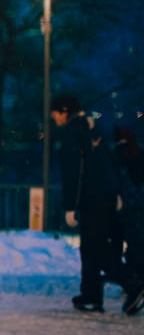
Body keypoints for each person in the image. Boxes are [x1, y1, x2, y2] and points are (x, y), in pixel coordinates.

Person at [50, 94, 143, 315]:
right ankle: (91, 293)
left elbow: (74, 171)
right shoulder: (93, 128)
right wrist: (117, 193)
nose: (53, 118)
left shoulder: (73, 133)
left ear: (64, 111)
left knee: (94, 248)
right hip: (106, 197)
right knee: (93, 246)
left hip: (91, 200)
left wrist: (70, 205)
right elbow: (109, 163)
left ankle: (131, 283)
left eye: (55, 113)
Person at [111, 126, 144, 315]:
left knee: (130, 242)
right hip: (139, 201)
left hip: (127, 204)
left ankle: (133, 281)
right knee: (138, 242)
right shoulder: (137, 152)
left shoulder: (118, 155)